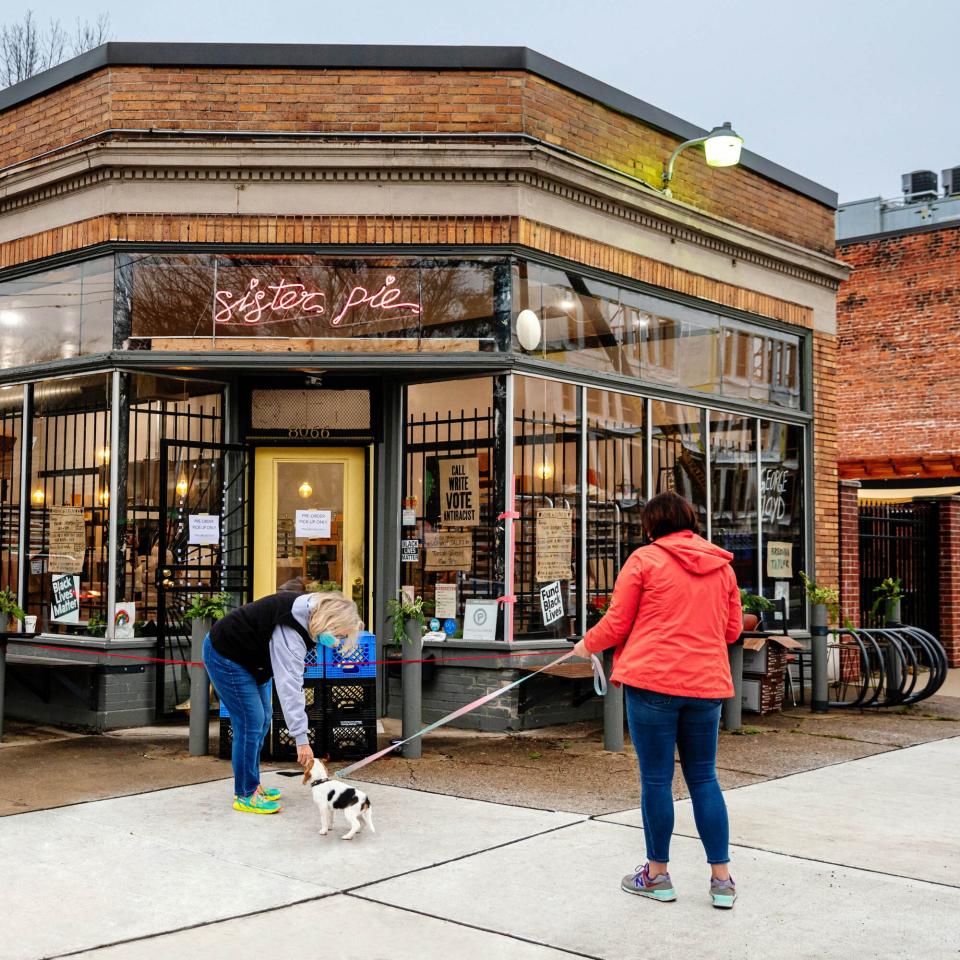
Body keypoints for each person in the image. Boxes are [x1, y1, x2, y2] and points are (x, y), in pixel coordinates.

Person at [572, 491, 742, 908]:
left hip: (653, 683)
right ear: (690, 521)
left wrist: (586, 645)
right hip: (706, 686)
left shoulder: (643, 560)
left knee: (656, 780)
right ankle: (721, 881)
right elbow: (733, 630)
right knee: (704, 778)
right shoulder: (722, 568)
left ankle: (658, 876)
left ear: (651, 527)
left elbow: (617, 623)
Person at [203, 589, 363, 814]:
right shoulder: (291, 630)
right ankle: (245, 794)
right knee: (250, 722)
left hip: (252, 660)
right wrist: (301, 739)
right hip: (226, 655)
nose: (337, 640)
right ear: (329, 620)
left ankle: (253, 784)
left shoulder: (312, 610)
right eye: (338, 633)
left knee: (263, 718)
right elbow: (290, 687)